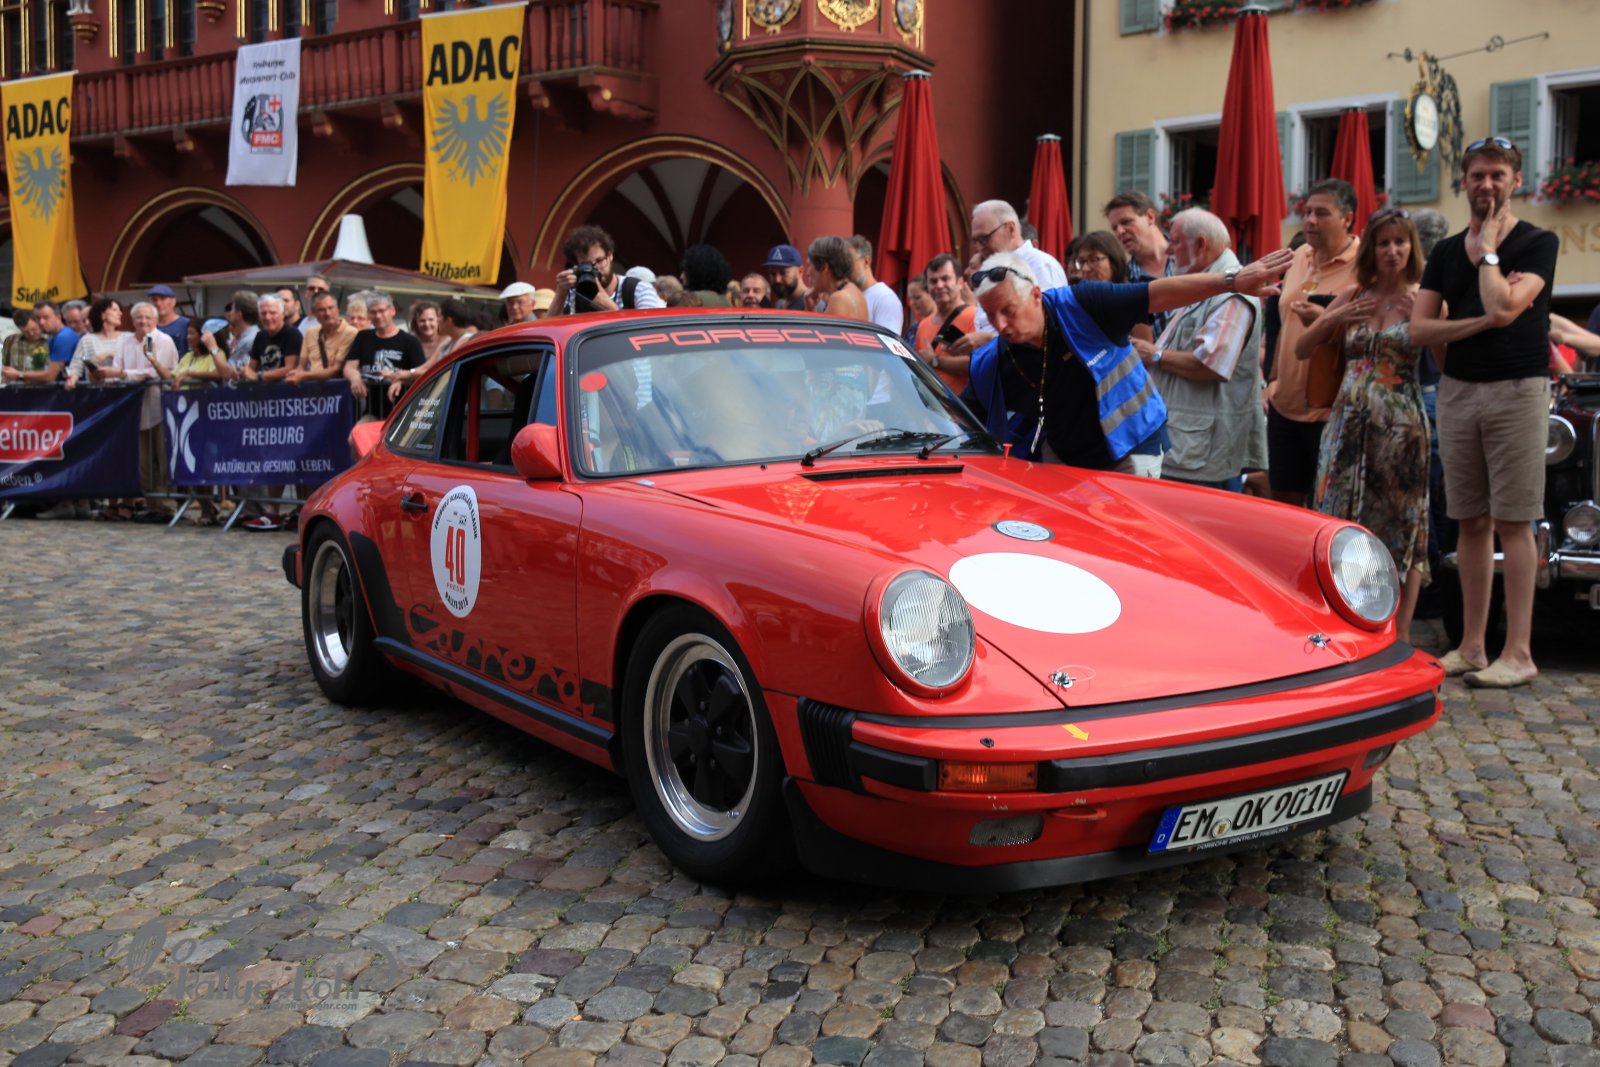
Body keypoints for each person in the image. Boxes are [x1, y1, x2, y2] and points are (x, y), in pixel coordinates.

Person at [1412, 136, 1559, 689]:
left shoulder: (1537, 242)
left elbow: (1503, 303)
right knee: (1469, 520)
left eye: (1498, 175)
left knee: (1515, 520)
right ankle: (1472, 646)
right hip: (1458, 389)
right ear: (1464, 182)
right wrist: (1478, 324)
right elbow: (1420, 328)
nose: (1487, 185)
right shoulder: (1447, 252)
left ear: (1516, 181)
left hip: (1517, 389)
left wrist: (1492, 250)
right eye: (1478, 175)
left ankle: (1518, 652)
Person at [962, 246, 1292, 474]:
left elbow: (1158, 294)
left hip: (1133, 447)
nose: (1000, 325)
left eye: (1009, 311)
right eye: (991, 315)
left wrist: (1232, 281)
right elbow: (958, 419)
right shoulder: (992, 363)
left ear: (1036, 295)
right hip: (1063, 458)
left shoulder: (1082, 303)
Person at [1290, 209, 1431, 642]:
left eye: (1400, 242)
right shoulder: (1355, 294)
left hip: (1400, 426)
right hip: (1347, 424)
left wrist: (1425, 323)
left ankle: (1400, 634)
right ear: (1371, 249)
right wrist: (1333, 317)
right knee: (1338, 520)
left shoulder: (1423, 298)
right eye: (1383, 242)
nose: (1392, 251)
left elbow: (1445, 363)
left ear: (1411, 248)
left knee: (1402, 524)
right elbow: (1302, 348)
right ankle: (1342, 623)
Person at [1133, 209, 1266, 493]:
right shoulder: (1208, 282)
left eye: (1175, 241)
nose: (1168, 249)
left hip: (1200, 453)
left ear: (1201, 244)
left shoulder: (1233, 294)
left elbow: (1212, 364)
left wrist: (1154, 354)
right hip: (1190, 444)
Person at [1265, 178, 1362, 507]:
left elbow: (1373, 331)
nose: (1309, 220)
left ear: (1347, 219)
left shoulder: (1364, 265)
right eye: (1307, 212)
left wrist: (1324, 320)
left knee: (1331, 506)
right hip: (1284, 405)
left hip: (1332, 408)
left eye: (1321, 213)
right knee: (1284, 504)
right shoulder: (1298, 256)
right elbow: (1280, 321)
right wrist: (1271, 380)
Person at [106, 302, 180, 521]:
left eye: (148, 317)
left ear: (155, 320)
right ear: (132, 320)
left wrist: (121, 374)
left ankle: (166, 506)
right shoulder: (125, 342)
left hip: (160, 407)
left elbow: (150, 373)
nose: (143, 321)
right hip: (135, 410)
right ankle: (152, 504)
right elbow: (117, 370)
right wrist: (111, 375)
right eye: (139, 317)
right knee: (143, 462)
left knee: (162, 459)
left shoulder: (163, 341)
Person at [343, 291, 425, 421]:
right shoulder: (363, 337)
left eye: (382, 311)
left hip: (403, 413)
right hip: (372, 412)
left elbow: (422, 373)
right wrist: (355, 378)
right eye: (373, 312)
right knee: (356, 433)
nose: (378, 316)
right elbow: (349, 367)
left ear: (392, 310)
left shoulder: (410, 341)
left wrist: (401, 380)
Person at [552, 225, 664, 315]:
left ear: (610, 256)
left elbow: (648, 331)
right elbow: (549, 329)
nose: (595, 269)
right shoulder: (573, 294)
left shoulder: (639, 289)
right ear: (576, 266)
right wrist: (560, 294)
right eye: (586, 265)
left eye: (599, 261)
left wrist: (609, 307)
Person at [915, 253, 977, 395]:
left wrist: (935, 361)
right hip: (933, 405)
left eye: (945, 279)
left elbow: (976, 363)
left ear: (960, 283)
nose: (939, 285)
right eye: (933, 281)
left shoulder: (973, 316)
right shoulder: (923, 325)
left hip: (963, 405)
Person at [288, 292, 358, 384]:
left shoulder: (351, 333)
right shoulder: (310, 333)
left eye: (331, 308)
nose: (327, 313)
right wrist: (295, 374)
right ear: (314, 313)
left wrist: (303, 376)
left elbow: (335, 370)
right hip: (312, 389)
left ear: (337, 309)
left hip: (337, 389)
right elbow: (301, 366)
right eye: (321, 310)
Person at [62, 297, 127, 388]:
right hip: (97, 392)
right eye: (115, 310)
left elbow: (137, 363)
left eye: (119, 310)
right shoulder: (87, 340)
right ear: (102, 315)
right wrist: (71, 379)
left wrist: (109, 354)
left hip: (127, 391)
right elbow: (75, 366)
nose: (120, 313)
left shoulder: (128, 337)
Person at [849, 235, 904, 335]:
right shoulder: (848, 295)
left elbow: (887, 341)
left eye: (850, 263)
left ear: (866, 262)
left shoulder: (885, 298)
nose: (846, 270)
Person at [805, 236, 870, 321]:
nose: (808, 273)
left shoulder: (839, 298)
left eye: (809, 265)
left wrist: (810, 311)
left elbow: (818, 330)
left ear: (824, 267)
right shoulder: (856, 291)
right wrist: (811, 309)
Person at [246, 293, 302, 382]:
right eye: (263, 313)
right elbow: (251, 368)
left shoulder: (292, 334)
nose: (267, 317)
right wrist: (241, 371)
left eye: (273, 313)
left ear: (283, 314)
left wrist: (259, 376)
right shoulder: (260, 336)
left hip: (286, 388)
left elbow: (290, 369)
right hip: (264, 388)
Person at [1, 310, 50, 385]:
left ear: (38, 323)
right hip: (15, 389)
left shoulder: (50, 341)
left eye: (34, 329)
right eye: (26, 332)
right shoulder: (10, 341)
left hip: (44, 388)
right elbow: (6, 368)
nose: (31, 333)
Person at [223, 290, 261, 378]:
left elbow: (230, 372)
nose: (230, 313)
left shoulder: (251, 339)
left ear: (239, 315)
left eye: (232, 309)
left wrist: (213, 349)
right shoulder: (245, 337)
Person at [763, 244, 809, 310]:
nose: (777, 280)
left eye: (783, 273)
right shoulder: (779, 304)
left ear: (800, 272)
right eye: (773, 274)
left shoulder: (812, 304)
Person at [148, 284, 190, 355]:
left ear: (173, 302)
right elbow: (148, 352)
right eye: (154, 300)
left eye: (163, 299)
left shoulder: (186, 324)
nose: (158, 303)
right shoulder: (148, 326)